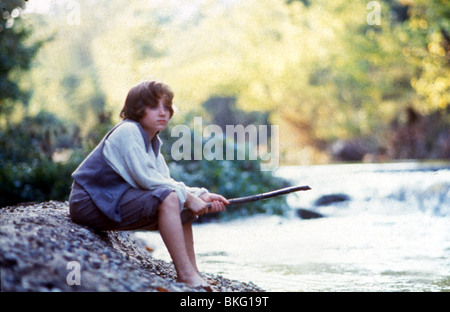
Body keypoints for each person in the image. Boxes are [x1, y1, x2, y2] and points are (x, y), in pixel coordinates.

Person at [69, 80, 229, 288]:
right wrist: (189, 198)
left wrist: (201, 195)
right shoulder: (128, 132)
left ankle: (192, 272)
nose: (163, 113)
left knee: (182, 206)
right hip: (89, 203)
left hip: (111, 200)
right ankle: (185, 274)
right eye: (154, 107)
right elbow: (146, 179)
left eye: (166, 107)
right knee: (171, 198)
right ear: (137, 109)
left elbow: (163, 179)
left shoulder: (151, 140)